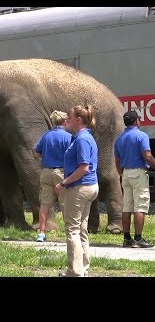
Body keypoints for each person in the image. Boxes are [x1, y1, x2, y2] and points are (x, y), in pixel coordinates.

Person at [55, 105, 99, 277]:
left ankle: (74, 271)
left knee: (72, 230)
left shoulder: (81, 139)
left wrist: (63, 183)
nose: (67, 121)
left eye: (70, 118)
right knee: (81, 229)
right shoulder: (86, 137)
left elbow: (83, 168)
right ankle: (83, 268)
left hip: (80, 187)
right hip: (90, 187)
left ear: (78, 120)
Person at [114, 110, 155, 248]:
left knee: (127, 207)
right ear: (136, 121)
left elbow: (117, 160)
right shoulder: (141, 136)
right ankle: (138, 238)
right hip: (138, 173)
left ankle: (127, 238)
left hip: (125, 174)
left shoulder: (119, 139)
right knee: (140, 206)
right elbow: (147, 156)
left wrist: (121, 173)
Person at [34, 110, 71, 242]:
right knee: (66, 204)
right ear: (65, 122)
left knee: (44, 204)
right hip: (61, 173)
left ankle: (42, 233)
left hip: (46, 172)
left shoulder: (46, 136)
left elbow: (36, 153)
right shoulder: (68, 137)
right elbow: (71, 155)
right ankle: (69, 234)